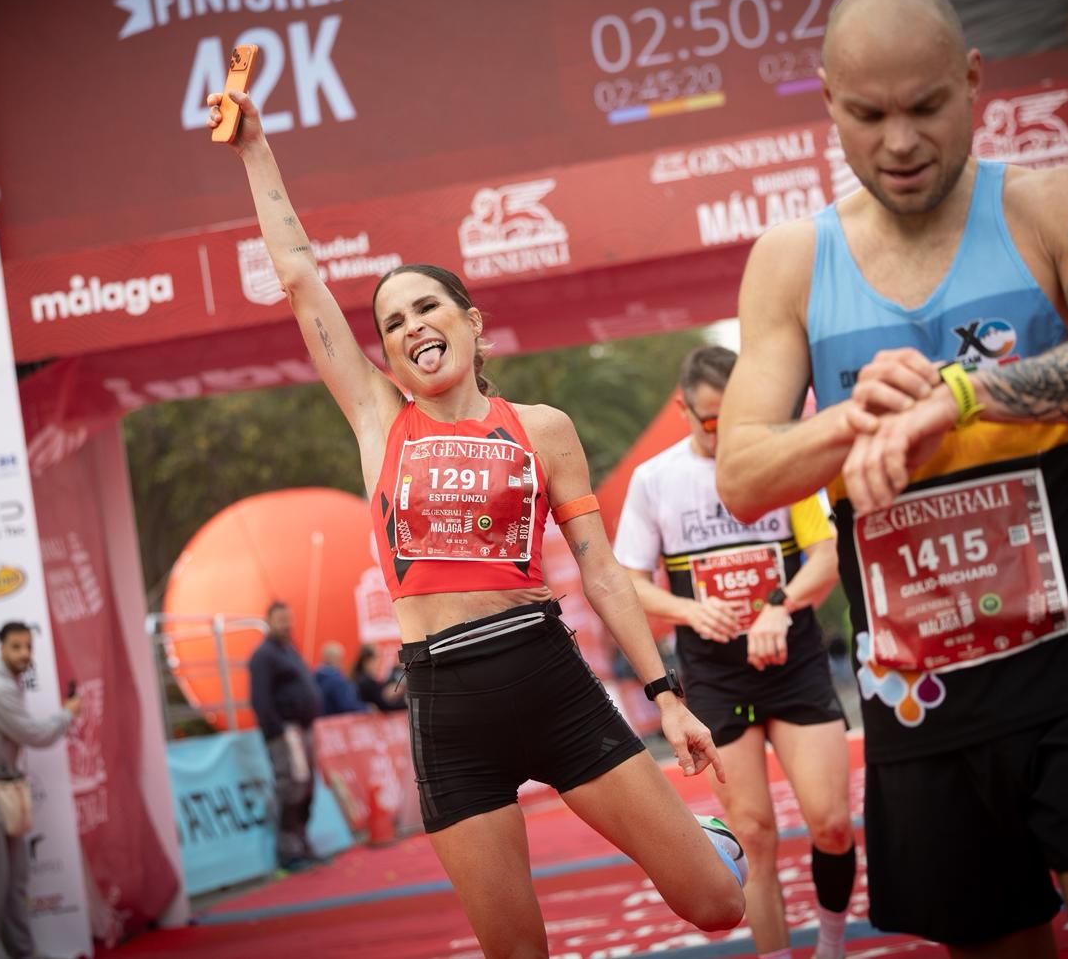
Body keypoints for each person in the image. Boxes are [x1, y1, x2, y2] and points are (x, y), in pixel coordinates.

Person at [207, 88, 745, 954]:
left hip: (549, 681)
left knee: (716, 905)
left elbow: (603, 574)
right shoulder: (378, 421)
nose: (412, 327)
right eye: (392, 323)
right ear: (386, 353)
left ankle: (707, 841)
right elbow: (301, 275)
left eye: (427, 307)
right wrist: (253, 149)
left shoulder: (542, 429)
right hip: (445, 706)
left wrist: (667, 697)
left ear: (471, 323)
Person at [715, 0, 1068, 958]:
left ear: (973, 81)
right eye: (868, 114)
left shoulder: (1052, 204)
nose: (900, 142)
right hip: (925, 699)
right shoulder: (792, 260)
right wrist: (850, 419)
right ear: (827, 101)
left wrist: (963, 395)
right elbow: (743, 475)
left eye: (926, 106)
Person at [616, 345, 853, 959]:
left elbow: (827, 555)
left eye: (735, 416)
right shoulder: (656, 479)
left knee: (831, 823)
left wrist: (781, 604)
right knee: (753, 832)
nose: (722, 433)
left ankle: (831, 945)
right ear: (683, 410)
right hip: (717, 676)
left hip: (793, 665)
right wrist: (689, 610)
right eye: (709, 421)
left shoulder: (778, 462)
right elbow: (628, 581)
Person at [0, 622, 82, 959]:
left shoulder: (4, 684)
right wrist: (67, 715)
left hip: (0, 789)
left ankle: (23, 953)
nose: (25, 653)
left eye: (28, 646)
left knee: (13, 884)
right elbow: (37, 735)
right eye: (16, 646)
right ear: (1, 648)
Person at [249, 602, 323, 869]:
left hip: (303, 728)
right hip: (286, 732)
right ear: (268, 621)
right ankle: (288, 851)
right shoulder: (263, 656)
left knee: (306, 788)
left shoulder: (289, 650)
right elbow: (260, 698)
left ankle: (302, 842)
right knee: (291, 787)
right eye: (280, 620)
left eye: (288, 619)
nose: (286, 625)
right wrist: (277, 731)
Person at [314, 641, 368, 716]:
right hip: (334, 720)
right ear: (337, 659)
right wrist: (366, 709)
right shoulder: (337, 681)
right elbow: (348, 706)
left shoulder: (313, 677)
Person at [352, 644, 406, 712]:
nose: (379, 662)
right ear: (367, 661)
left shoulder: (362, 678)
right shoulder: (365, 682)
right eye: (376, 658)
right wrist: (407, 703)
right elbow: (384, 706)